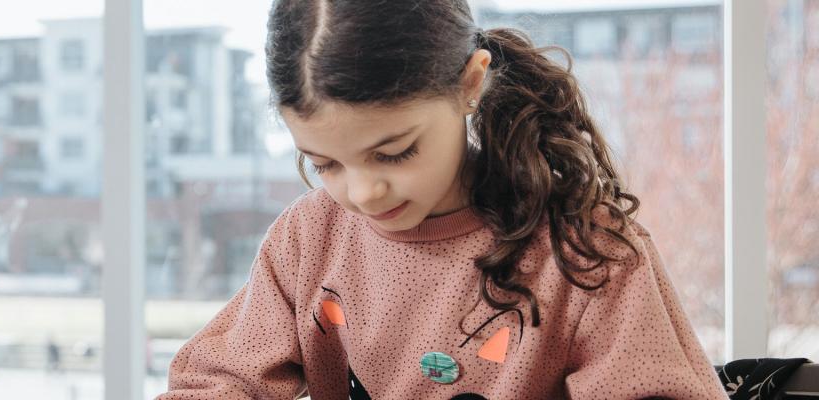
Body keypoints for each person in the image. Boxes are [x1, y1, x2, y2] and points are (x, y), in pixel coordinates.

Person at [157, 0, 722, 398]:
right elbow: (221, 381)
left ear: (470, 83)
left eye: (395, 152)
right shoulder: (309, 239)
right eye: (324, 163)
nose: (362, 192)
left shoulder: (583, 247)